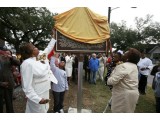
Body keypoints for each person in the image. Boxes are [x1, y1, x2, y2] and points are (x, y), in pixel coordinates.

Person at [20, 32, 58, 113]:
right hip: (37, 95)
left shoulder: (38, 57)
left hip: (45, 90)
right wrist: (38, 99)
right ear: (30, 52)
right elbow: (27, 86)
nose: (36, 47)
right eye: (33, 47)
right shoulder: (27, 64)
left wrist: (54, 38)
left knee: (45, 110)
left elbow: (48, 48)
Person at [107, 48, 141, 113]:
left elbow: (110, 81)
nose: (123, 55)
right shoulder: (134, 66)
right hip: (133, 94)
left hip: (123, 96)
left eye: (125, 54)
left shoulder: (123, 66)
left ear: (128, 57)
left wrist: (114, 71)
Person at [0, 47, 20, 113]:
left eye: (9, 53)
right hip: (0, 85)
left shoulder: (11, 61)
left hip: (9, 84)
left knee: (9, 103)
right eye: (6, 53)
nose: (7, 54)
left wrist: (11, 57)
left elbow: (18, 63)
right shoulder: (0, 59)